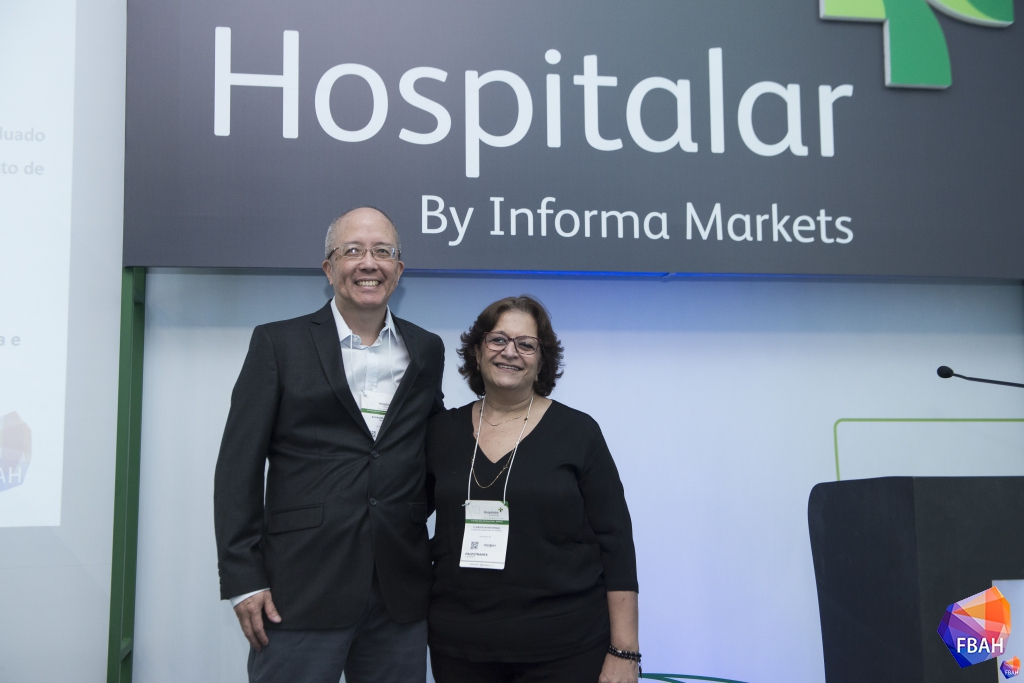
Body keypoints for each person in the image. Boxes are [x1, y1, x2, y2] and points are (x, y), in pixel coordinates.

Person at [214, 207, 445, 683]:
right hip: (299, 588)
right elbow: (238, 467)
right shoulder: (278, 344)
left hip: (399, 592)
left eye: (382, 251)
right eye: (353, 250)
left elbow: (430, 450)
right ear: (328, 267)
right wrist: (243, 579)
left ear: (399, 269)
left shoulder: (427, 349)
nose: (369, 263)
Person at [425, 295, 640, 683]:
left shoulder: (578, 432)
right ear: (477, 351)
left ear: (542, 361)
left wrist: (624, 651)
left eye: (526, 344)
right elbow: (405, 518)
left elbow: (617, 543)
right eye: (497, 340)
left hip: (566, 648)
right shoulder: (440, 432)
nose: (510, 352)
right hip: (460, 647)